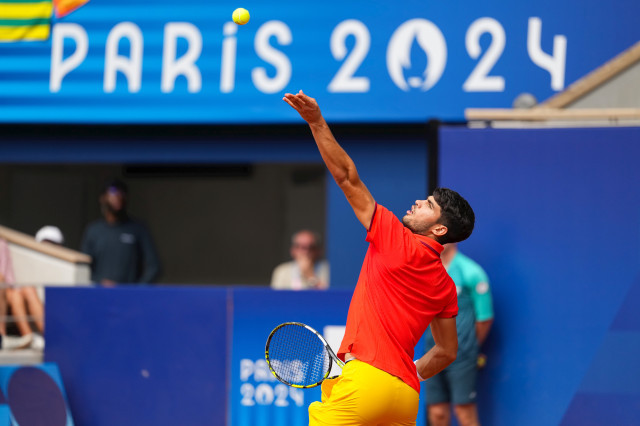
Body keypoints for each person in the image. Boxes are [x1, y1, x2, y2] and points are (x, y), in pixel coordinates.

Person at [283, 90, 475, 425]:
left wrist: (316, 122)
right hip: (404, 397)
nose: (418, 202)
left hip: (366, 385)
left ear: (440, 230)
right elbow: (446, 351)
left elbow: (346, 176)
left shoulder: (394, 238)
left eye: (428, 205)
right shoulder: (446, 285)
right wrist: (404, 373)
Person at [423, 243, 494, 426]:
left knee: (464, 412)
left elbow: (484, 318)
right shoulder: (426, 270)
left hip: (462, 356)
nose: (437, 239)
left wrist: (468, 347)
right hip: (431, 354)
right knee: (437, 412)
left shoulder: (471, 272)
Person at [81, 179, 160, 286]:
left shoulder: (138, 229)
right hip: (99, 295)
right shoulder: (93, 230)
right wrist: (99, 282)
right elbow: (83, 267)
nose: (118, 196)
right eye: (113, 191)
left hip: (128, 297)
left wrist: (136, 291)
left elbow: (154, 266)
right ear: (103, 198)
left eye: (122, 192)